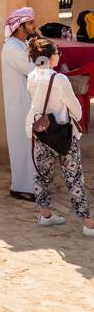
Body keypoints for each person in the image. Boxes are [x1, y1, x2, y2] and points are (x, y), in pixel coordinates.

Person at [26, 36, 94, 235]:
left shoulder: (32, 76)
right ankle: (88, 222)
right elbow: (76, 109)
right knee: (74, 178)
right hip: (63, 134)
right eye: (57, 53)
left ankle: (45, 214)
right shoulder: (60, 79)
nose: (58, 56)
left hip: (40, 132)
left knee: (41, 175)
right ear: (49, 57)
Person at [1, 7, 38, 200]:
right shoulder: (12, 48)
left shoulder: (22, 44)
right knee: (21, 146)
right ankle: (21, 187)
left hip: (27, 104)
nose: (34, 26)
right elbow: (34, 69)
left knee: (30, 145)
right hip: (19, 105)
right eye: (31, 23)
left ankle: (33, 185)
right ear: (20, 26)